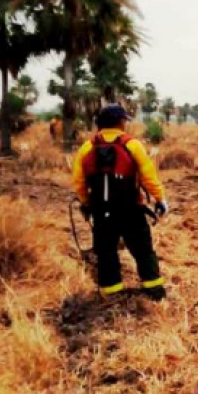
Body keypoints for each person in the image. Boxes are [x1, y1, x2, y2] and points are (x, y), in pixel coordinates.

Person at [72, 105, 169, 300]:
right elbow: (148, 177)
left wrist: (86, 203)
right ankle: (154, 292)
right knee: (143, 251)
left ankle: (111, 295)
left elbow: (78, 182)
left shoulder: (87, 147)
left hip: (101, 212)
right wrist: (160, 199)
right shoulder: (132, 145)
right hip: (130, 209)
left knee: (106, 252)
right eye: (124, 120)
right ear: (120, 122)